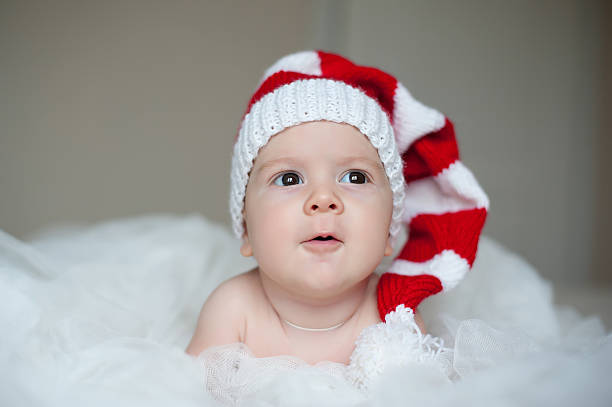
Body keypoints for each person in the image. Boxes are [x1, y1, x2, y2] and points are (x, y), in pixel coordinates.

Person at [186, 50, 489, 367]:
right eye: (289, 178)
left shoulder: (394, 315)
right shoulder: (233, 310)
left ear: (389, 230)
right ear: (246, 230)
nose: (323, 197)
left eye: (355, 177)